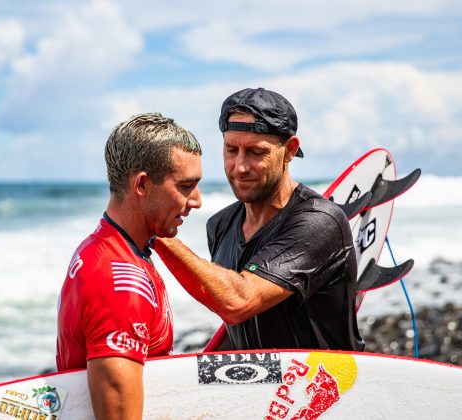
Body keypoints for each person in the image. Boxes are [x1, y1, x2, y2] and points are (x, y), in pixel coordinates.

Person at [155, 88, 364, 351]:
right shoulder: (220, 225)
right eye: (231, 150)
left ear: (290, 150)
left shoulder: (319, 222)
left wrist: (156, 231)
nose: (240, 167)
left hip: (322, 386)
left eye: (256, 152)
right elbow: (243, 325)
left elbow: (239, 302)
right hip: (261, 389)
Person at [56, 112, 202, 420]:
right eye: (186, 186)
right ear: (142, 184)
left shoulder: (107, 245)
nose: (197, 200)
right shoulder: (118, 281)